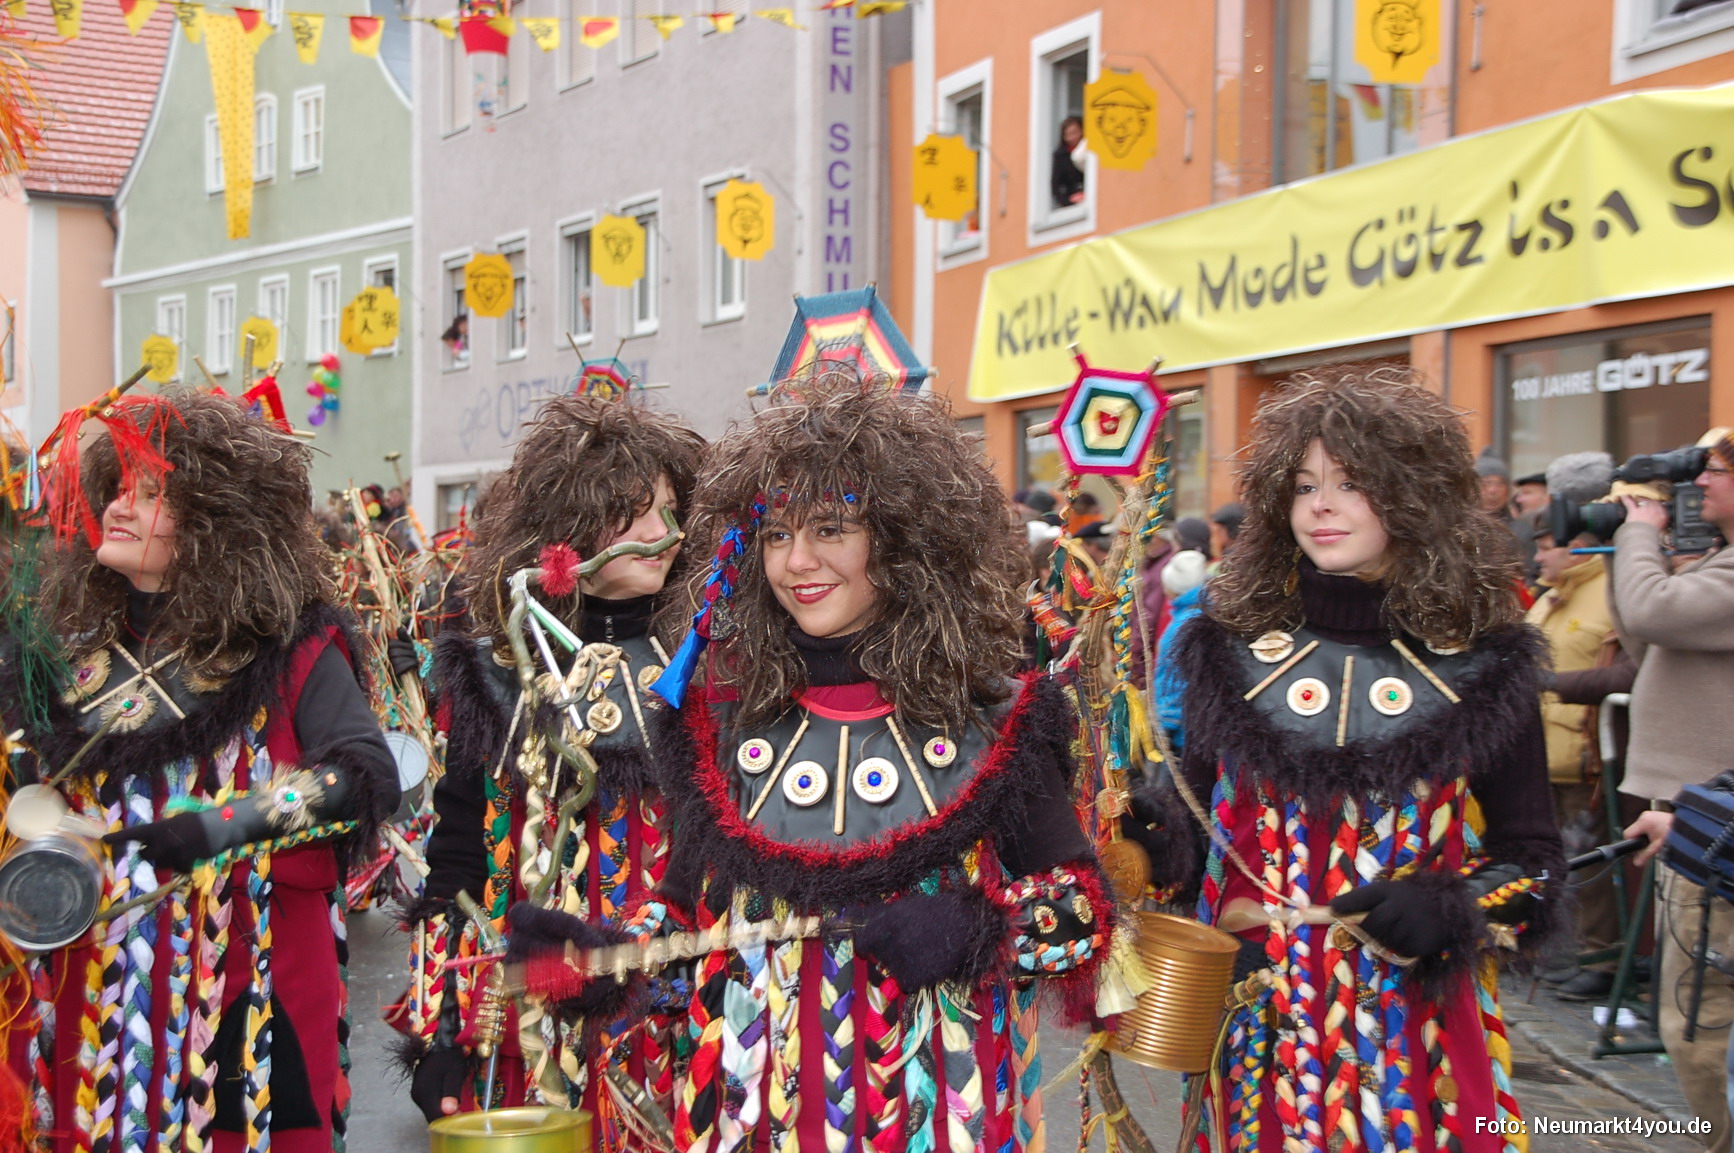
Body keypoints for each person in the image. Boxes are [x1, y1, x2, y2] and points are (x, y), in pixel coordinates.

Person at [507, 374, 1114, 1151]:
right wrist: (604, 957)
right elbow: (687, 924)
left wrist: (982, 925)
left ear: (902, 537)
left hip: (938, 1114)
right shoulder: (720, 719)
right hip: (754, 1114)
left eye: (831, 528)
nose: (797, 561)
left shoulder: (996, 716)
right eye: (775, 533)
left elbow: (1085, 913)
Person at [1130, 367, 1563, 1153]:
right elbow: (1189, 835)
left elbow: (1532, 865)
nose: (1320, 505)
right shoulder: (1229, 656)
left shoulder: (1486, 668)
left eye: (1351, 483)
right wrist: (1138, 836)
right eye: (1302, 485)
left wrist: (1453, 907)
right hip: (1262, 1030)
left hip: (1417, 1038)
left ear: (1415, 495)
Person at [2, 390, 398, 1153]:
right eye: (117, 486)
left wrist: (212, 829)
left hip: (248, 989)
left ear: (216, 523)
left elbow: (358, 777)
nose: (120, 507)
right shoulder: (58, 653)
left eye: (152, 494)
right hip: (93, 996)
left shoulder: (290, 648)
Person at [398, 393, 704, 1141]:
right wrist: (444, 1030)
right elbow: (461, 858)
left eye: (670, 508)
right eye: (634, 513)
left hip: (674, 1008)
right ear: (568, 529)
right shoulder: (503, 670)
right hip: (531, 1019)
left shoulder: (711, 670)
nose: (663, 533)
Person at [1613, 427, 1734, 1153]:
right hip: (1701, 814)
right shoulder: (1719, 562)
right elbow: (1640, 625)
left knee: (1700, 1017)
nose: (1700, 483)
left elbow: (1652, 612)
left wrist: (1638, 531)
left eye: (1714, 469)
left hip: (1718, 832)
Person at [1050, 115, 1086, 207]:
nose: (1072, 138)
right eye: (1068, 135)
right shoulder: (1061, 156)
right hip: (1072, 199)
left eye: (1075, 133)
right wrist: (1067, 201)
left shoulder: (1088, 151)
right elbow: (1056, 184)